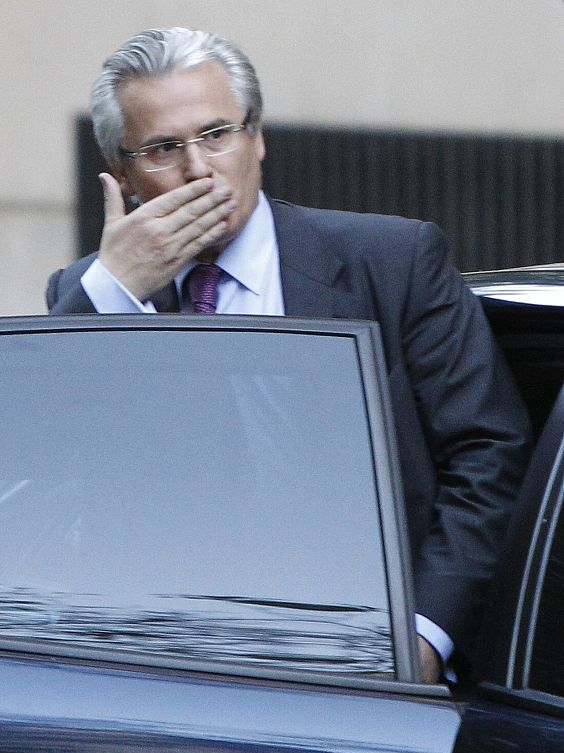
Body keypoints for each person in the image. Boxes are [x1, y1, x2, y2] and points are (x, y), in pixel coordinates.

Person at [46, 26, 531, 683]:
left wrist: (420, 641)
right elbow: (50, 471)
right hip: (171, 670)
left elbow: (488, 455)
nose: (198, 168)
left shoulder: (393, 262)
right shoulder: (91, 297)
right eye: (163, 148)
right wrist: (113, 288)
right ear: (125, 175)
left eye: (217, 134)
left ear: (257, 137)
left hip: (372, 658)